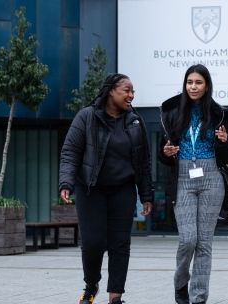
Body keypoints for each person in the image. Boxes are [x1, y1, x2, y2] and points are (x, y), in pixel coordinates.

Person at [59, 73, 154, 304]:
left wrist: (146, 194)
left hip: (123, 190)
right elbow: (70, 152)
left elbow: (143, 162)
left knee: (120, 243)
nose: (131, 95)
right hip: (91, 190)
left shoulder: (135, 121)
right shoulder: (86, 116)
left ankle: (116, 296)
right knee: (93, 243)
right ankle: (91, 285)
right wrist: (66, 182)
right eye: (127, 90)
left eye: (133, 92)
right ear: (111, 90)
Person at [159, 64, 228, 304]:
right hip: (183, 177)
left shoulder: (220, 115)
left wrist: (225, 142)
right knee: (188, 240)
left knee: (204, 243)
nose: (193, 87)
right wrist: (166, 152)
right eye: (189, 82)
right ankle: (181, 283)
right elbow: (164, 155)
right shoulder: (172, 112)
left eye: (198, 82)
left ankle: (199, 297)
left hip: (212, 178)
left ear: (206, 86)